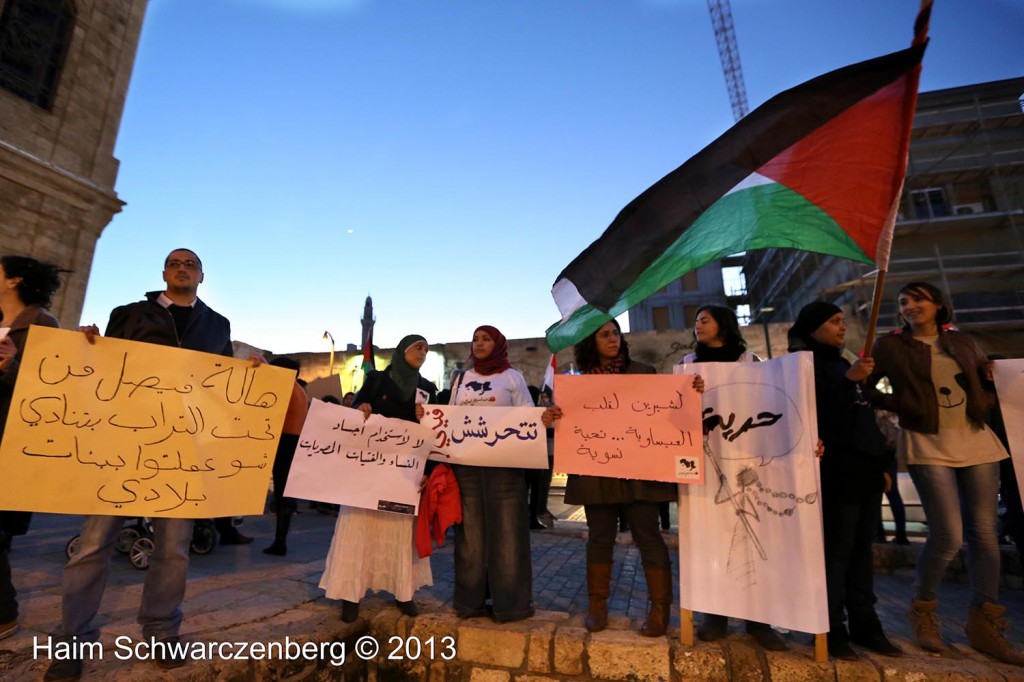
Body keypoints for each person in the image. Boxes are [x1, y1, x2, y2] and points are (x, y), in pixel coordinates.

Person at [45, 249, 236, 681]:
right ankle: (71, 643)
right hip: (123, 445)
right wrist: (87, 346)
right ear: (164, 273)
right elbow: (105, 368)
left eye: (190, 264)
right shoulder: (129, 314)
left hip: (182, 451)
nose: (182, 268)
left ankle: (162, 633)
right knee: (93, 544)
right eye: (174, 263)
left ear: (202, 276)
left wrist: (253, 372)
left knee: (173, 549)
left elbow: (223, 381)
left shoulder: (217, 325)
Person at [868, 282, 1022, 665]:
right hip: (926, 442)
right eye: (903, 302)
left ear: (938, 304)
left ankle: (985, 624)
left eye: (918, 299)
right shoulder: (890, 346)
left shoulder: (965, 342)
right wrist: (902, 404)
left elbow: (984, 380)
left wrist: (987, 387)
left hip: (975, 438)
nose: (909, 306)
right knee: (948, 535)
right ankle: (923, 609)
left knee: (985, 535)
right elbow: (866, 388)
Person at [563, 318, 694, 637]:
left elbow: (667, 411)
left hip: (639, 470)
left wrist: (690, 394)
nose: (613, 339)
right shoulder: (578, 384)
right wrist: (557, 414)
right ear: (590, 342)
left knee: (648, 535)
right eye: (605, 335)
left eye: (616, 333)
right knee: (599, 536)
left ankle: (660, 608)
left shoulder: (643, 371)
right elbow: (573, 422)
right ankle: (598, 606)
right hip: (597, 470)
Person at [788, 302, 901, 660]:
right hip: (835, 474)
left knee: (861, 552)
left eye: (842, 321)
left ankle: (866, 625)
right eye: (833, 322)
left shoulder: (842, 365)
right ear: (812, 327)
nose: (841, 327)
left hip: (864, 471)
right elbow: (811, 415)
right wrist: (845, 382)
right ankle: (831, 628)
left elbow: (864, 420)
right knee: (835, 554)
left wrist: (881, 464)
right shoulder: (802, 366)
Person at [680, 305, 787, 651]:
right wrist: (688, 392)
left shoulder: (748, 362)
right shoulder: (686, 364)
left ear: (723, 324)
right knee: (711, 539)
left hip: (744, 462)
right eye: (696, 321)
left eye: (705, 319)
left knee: (754, 537)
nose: (698, 325)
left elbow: (764, 404)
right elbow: (674, 410)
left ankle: (759, 619)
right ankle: (716, 614)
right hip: (705, 465)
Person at [319, 335, 436, 622]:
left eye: (426, 349)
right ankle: (350, 595)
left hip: (402, 474)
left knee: (397, 531)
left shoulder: (428, 389)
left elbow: (435, 432)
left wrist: (428, 471)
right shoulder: (376, 380)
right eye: (417, 347)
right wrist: (362, 408)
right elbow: (358, 406)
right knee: (359, 527)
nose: (422, 352)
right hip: (367, 472)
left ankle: (403, 592)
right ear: (403, 351)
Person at [449, 325, 554, 623]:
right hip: (468, 469)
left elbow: (527, 419)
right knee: (470, 536)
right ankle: (470, 602)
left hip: (505, 470)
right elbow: (452, 418)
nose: (479, 344)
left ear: (498, 345)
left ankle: (511, 604)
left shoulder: (512, 377)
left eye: (486, 339)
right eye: (476, 339)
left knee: (508, 534)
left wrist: (543, 419)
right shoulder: (462, 379)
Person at [0, 255, 65, 641]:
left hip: (9, 439)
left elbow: (50, 390)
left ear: (14, 282)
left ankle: (4, 614)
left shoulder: (42, 325)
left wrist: (11, 368)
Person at [263, 357, 309, 556]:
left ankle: (280, 542)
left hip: (285, 443)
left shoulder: (287, 389)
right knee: (285, 493)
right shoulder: (298, 390)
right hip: (292, 442)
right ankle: (279, 541)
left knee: (283, 494)